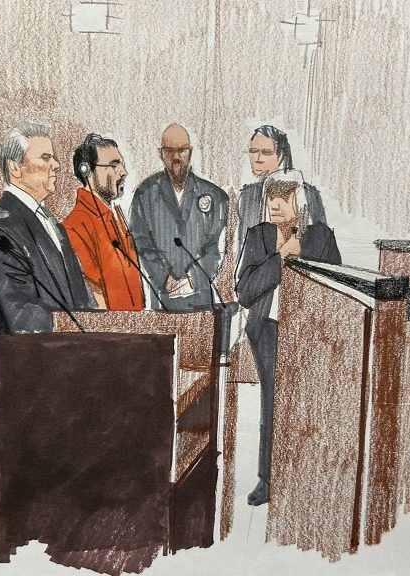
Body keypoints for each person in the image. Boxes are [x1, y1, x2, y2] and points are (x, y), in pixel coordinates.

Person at [235, 170, 341, 506]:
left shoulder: (320, 236)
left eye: (284, 197)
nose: (275, 204)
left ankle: (306, 477)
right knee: (272, 403)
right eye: (271, 197)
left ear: (301, 201)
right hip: (267, 329)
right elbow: (244, 291)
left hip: (310, 334)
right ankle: (268, 479)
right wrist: (280, 257)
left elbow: (335, 287)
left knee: (309, 404)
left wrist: (301, 252)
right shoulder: (258, 236)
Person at [0, 123, 94, 334]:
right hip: (38, 350)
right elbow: (21, 316)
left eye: (53, 157)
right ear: (15, 167)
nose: (56, 165)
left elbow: (81, 296)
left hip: (74, 346)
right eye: (45, 158)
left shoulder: (52, 224)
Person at [130, 123, 229, 311]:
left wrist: (193, 279)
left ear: (190, 153)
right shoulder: (145, 194)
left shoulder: (215, 196)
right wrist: (164, 279)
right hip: (163, 299)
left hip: (201, 299)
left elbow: (216, 247)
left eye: (182, 150)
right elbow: (141, 243)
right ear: (161, 154)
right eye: (169, 151)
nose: (176, 157)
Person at [62, 133, 145, 310]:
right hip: (113, 325)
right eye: (114, 165)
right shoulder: (75, 226)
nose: (123, 172)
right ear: (86, 171)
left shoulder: (117, 217)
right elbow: (93, 297)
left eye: (121, 164)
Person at [237, 125, 328, 255]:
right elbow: (242, 248)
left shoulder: (310, 194)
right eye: (253, 151)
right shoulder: (247, 196)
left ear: (280, 156)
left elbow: (321, 247)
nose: (257, 159)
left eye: (266, 152)